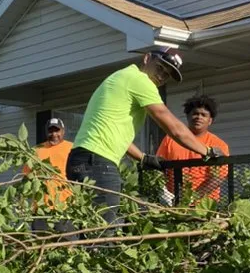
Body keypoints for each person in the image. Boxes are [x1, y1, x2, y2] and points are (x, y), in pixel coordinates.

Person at [66, 48, 223, 225]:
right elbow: (173, 126)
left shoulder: (121, 77)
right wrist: (207, 151)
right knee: (104, 229)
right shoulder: (140, 80)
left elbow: (114, 133)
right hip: (97, 162)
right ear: (147, 58)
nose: (162, 76)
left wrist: (142, 158)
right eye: (161, 67)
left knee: (88, 225)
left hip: (83, 160)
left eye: (168, 74)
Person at [156, 94, 230, 202]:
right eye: (195, 113)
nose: (199, 117)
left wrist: (191, 198)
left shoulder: (219, 144)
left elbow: (218, 177)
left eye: (203, 115)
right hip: (173, 203)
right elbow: (159, 167)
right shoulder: (170, 139)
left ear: (210, 120)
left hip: (205, 206)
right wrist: (166, 195)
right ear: (188, 116)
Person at [24, 117, 73, 231]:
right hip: (41, 208)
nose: (54, 134)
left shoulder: (72, 148)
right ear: (46, 132)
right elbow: (27, 177)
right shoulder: (36, 150)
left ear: (63, 131)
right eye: (51, 131)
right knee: (41, 245)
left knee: (68, 244)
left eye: (57, 130)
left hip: (65, 206)